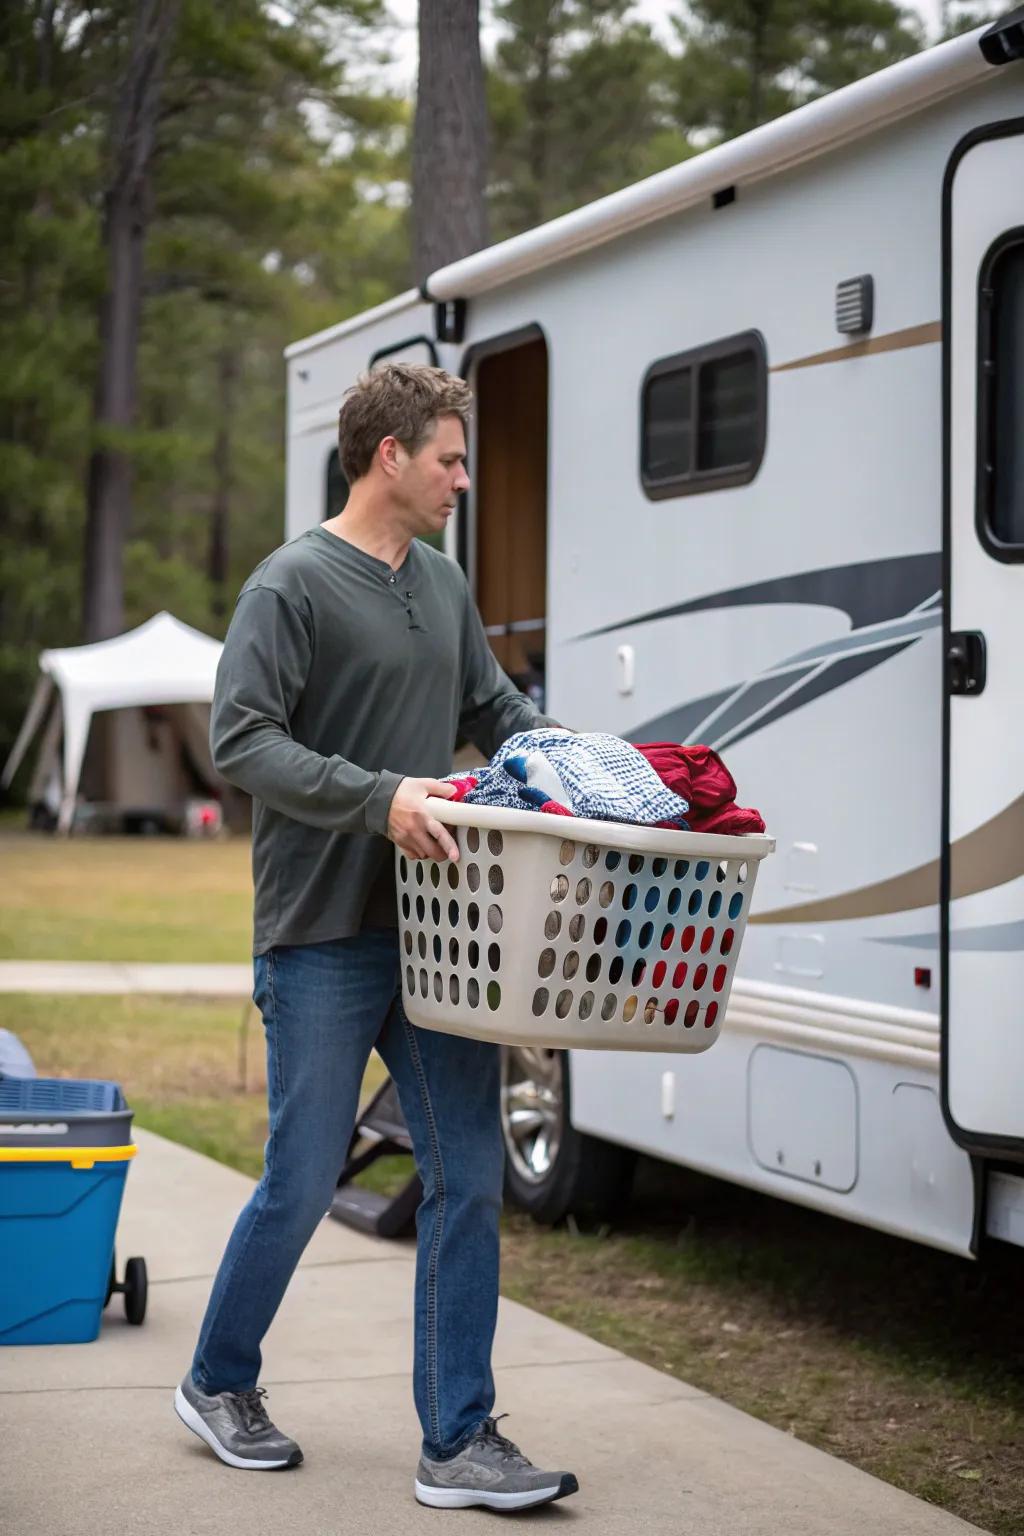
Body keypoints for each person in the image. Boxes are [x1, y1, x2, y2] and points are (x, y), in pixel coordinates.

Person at [173, 363, 579, 1512]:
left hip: (442, 933)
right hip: (317, 933)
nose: (463, 476)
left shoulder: (442, 585)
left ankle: (458, 1439)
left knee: (467, 1177)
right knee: (302, 1180)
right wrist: (382, 797)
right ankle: (216, 1380)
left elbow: (492, 709)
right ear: (388, 456)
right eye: (448, 457)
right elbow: (241, 743)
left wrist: (580, 762)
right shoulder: (290, 584)